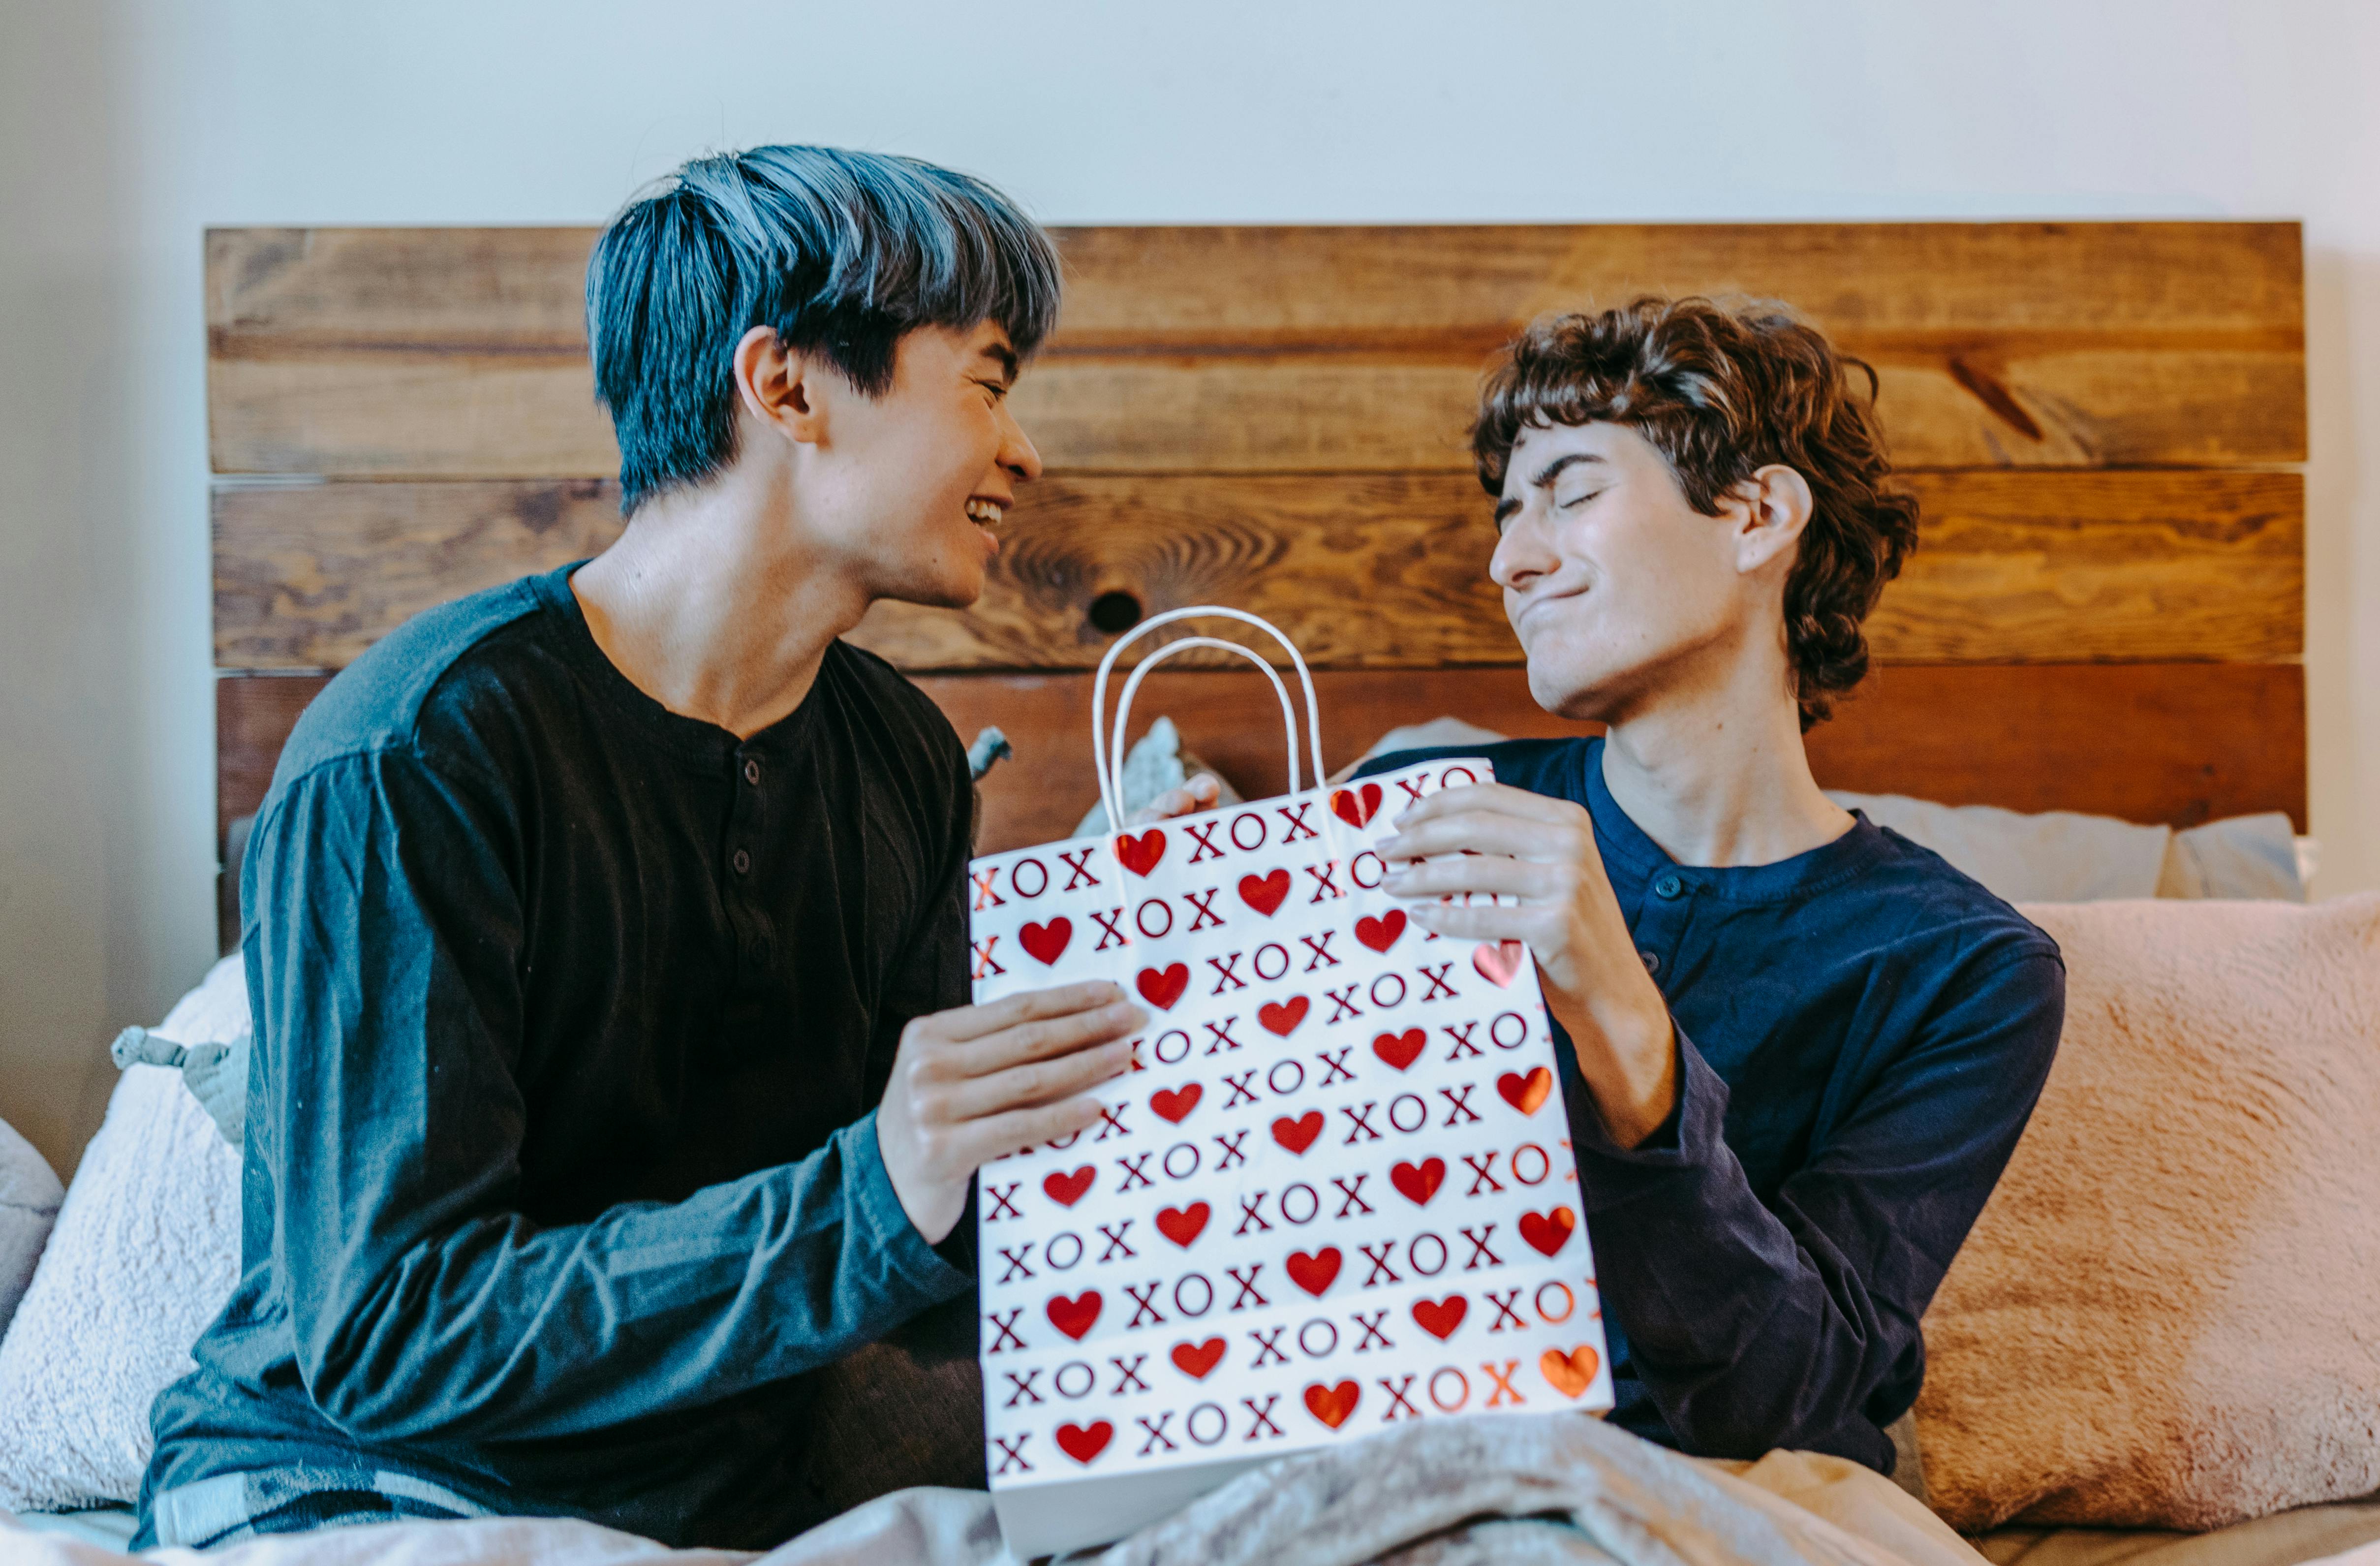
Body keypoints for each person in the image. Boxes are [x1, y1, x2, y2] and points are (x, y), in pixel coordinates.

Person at [136, 147, 1146, 1551]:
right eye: (985, 380)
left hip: (718, 1513)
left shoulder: (907, 761)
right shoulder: (417, 752)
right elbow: (387, 1332)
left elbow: (935, 1227)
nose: (1024, 450)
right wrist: (873, 1187)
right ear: (785, 385)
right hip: (361, 1489)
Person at [1351, 298, 2067, 1475]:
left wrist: (1632, 1037)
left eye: (1570, 493)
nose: (1508, 558)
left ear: (1754, 515)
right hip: (1412, 1466)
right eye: (1505, 513)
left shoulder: (1963, 971)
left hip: (1735, 1496)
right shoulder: (1422, 811)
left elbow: (1782, 1396)